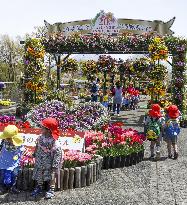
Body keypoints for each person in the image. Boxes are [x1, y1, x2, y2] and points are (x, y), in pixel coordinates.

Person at [31, 118, 63, 199]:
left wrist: (55, 164)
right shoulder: (40, 137)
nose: (41, 128)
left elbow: (58, 152)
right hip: (40, 161)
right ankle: (39, 187)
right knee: (39, 175)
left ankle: (51, 190)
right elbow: (37, 146)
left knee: (51, 176)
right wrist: (34, 153)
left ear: (48, 130)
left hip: (49, 163)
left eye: (43, 127)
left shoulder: (54, 141)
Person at [0, 125, 24, 194]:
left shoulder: (18, 142)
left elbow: (22, 150)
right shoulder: (3, 141)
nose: (7, 139)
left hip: (14, 163)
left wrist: (22, 154)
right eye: (6, 138)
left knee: (14, 175)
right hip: (3, 162)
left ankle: (12, 187)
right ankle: (2, 186)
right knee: (2, 175)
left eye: (8, 138)